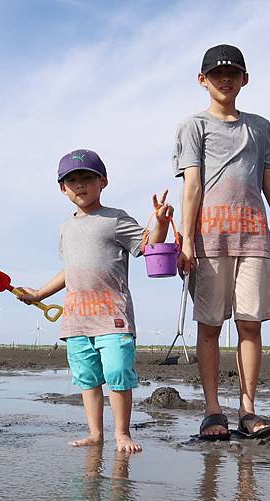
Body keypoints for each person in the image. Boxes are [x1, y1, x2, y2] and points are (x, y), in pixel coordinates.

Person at [173, 45, 270, 440]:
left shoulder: (259, 127)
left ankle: (248, 411)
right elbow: (192, 185)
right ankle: (214, 410)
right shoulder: (193, 126)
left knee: (250, 324)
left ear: (244, 79)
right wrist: (186, 241)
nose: (224, 79)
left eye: (232, 73)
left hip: (255, 238)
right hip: (209, 238)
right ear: (203, 80)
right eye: (216, 74)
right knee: (210, 324)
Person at [19, 148, 173, 452]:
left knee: (117, 371)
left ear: (102, 181)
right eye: (72, 180)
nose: (80, 185)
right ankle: (95, 433)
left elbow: (149, 246)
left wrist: (161, 223)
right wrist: (38, 294)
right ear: (62, 188)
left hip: (112, 315)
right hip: (76, 319)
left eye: (87, 178)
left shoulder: (115, 219)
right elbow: (70, 270)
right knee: (87, 378)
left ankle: (121, 433)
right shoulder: (65, 228)